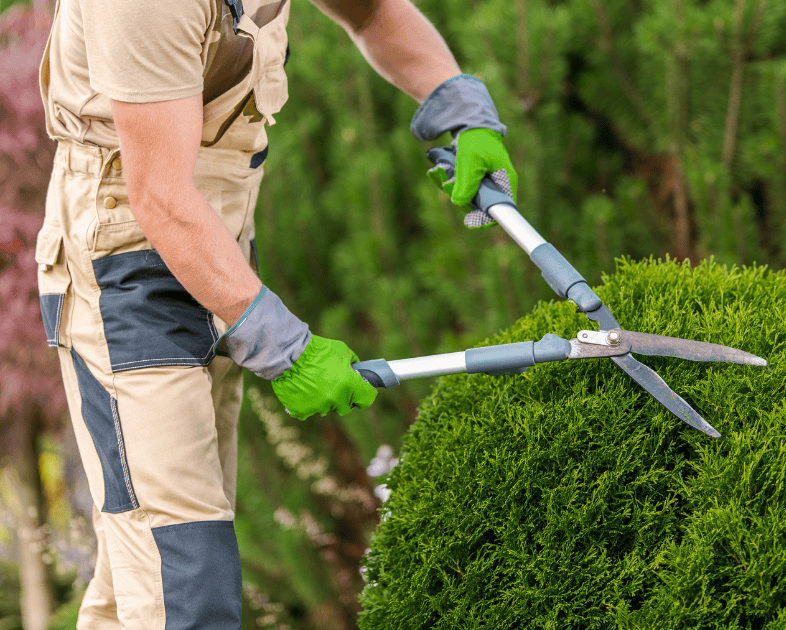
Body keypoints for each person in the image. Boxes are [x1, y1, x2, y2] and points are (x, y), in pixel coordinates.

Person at [35, 0, 516, 626]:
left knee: (146, 553)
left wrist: (457, 104)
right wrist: (284, 345)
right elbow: (159, 194)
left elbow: (371, 13)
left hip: (218, 251)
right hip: (125, 266)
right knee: (184, 580)